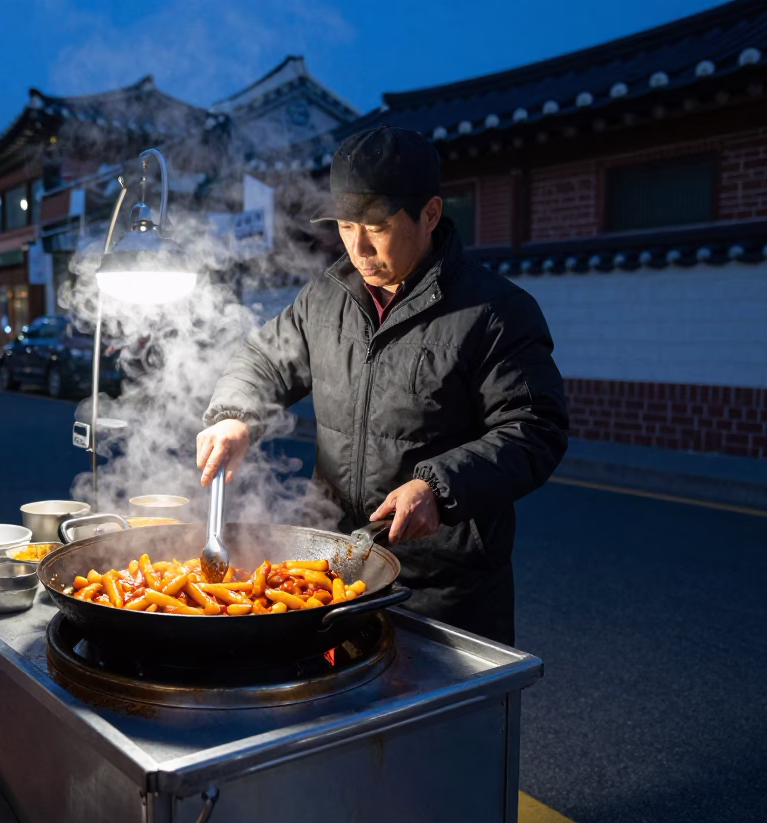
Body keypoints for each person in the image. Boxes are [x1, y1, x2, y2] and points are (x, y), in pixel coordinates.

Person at [196, 126, 568, 646]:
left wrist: (439, 488)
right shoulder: (326, 296)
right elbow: (265, 359)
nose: (359, 247)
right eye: (346, 226)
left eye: (377, 226)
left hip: (444, 585)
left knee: (433, 725)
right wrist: (235, 413)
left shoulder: (496, 311)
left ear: (431, 214)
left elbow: (535, 429)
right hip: (332, 566)